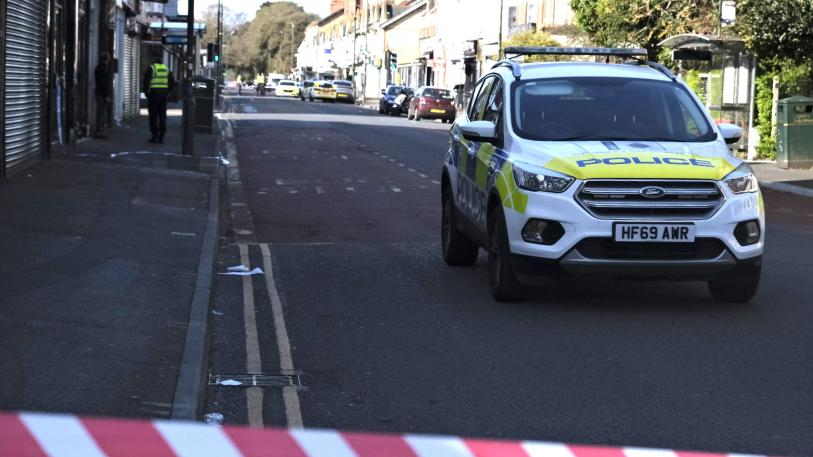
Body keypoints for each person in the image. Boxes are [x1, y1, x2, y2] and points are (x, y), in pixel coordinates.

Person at [142, 58, 175, 143]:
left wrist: (146, 93)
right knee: (162, 116)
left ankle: (154, 135)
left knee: (153, 116)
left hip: (153, 95)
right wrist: (168, 91)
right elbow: (172, 82)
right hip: (163, 95)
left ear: (154, 62)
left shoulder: (152, 68)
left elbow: (146, 81)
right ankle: (161, 136)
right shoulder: (166, 68)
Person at [93, 53, 113, 139]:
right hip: (101, 94)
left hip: (101, 93)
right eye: (109, 57)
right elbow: (103, 83)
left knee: (101, 113)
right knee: (101, 112)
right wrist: (106, 95)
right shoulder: (102, 68)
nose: (110, 59)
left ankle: (99, 131)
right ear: (107, 59)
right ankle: (98, 132)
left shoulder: (101, 67)